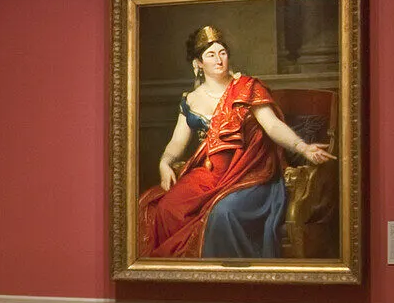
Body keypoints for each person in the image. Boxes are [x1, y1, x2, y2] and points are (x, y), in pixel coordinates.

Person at [138, 25, 333, 259]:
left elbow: (271, 125)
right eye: (211, 55)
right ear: (198, 63)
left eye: (223, 52)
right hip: (209, 176)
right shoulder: (190, 100)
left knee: (223, 213)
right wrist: (164, 163)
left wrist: (303, 147)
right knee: (166, 208)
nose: (219, 59)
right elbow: (177, 143)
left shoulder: (247, 88)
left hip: (250, 173)